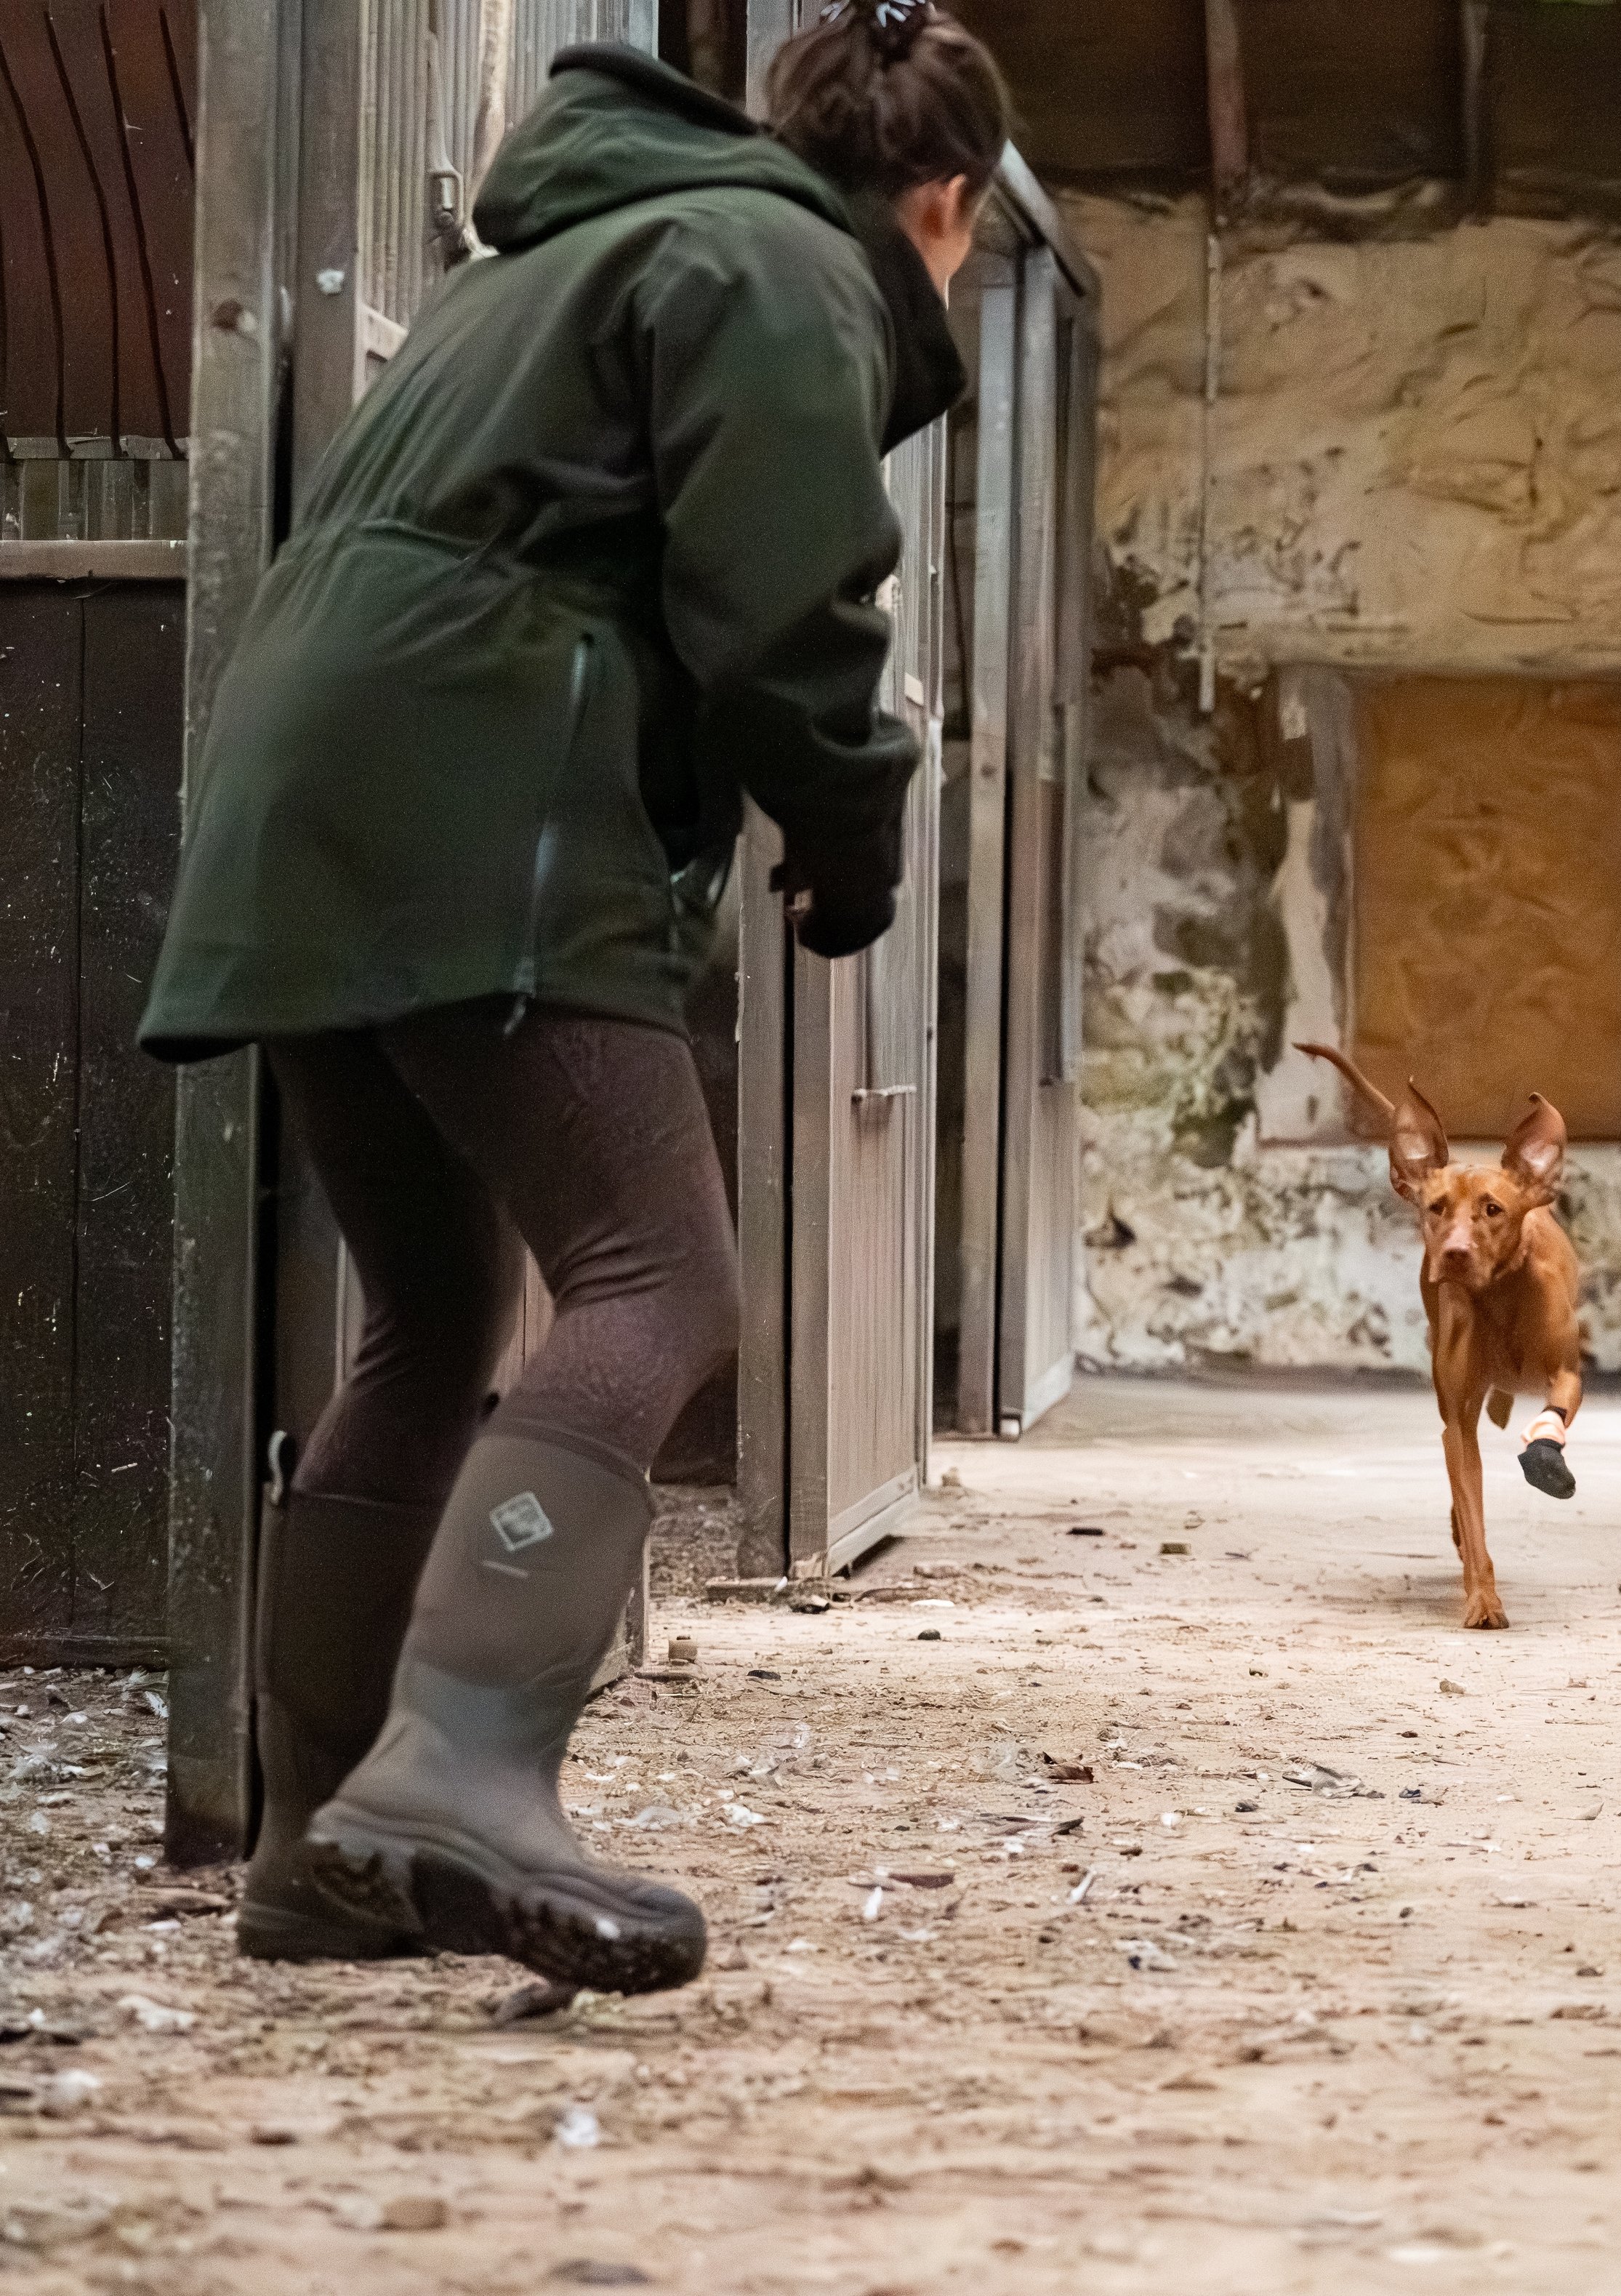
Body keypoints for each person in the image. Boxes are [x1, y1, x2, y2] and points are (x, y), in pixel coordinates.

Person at [138, 1, 1009, 1992]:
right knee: (663, 1282)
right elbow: (785, 597)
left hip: (308, 785)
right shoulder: (781, 259)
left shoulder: (553, 250)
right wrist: (851, 834)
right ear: (940, 202)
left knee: (437, 1316)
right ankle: (461, 1764)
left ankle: (319, 1856)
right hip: (482, 780)